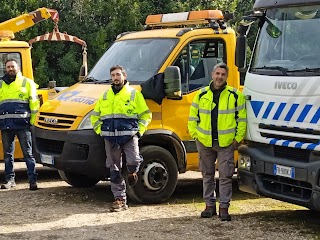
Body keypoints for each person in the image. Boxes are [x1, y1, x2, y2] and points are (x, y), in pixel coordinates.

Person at [188, 62, 246, 221]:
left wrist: (237, 139)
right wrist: (195, 135)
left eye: (223, 74)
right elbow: (193, 117)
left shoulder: (235, 95)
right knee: (207, 174)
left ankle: (224, 207)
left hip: (226, 143)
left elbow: (242, 119)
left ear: (226, 77)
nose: (219, 77)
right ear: (212, 75)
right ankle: (209, 206)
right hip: (205, 142)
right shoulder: (201, 95)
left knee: (226, 176)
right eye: (217, 74)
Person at [91, 65, 152, 212]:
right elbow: (95, 116)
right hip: (110, 139)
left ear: (124, 76)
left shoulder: (134, 94)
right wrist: (100, 131)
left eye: (118, 75)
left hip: (129, 136)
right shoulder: (105, 96)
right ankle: (120, 200)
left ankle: (132, 172)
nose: (115, 78)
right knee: (114, 169)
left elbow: (146, 115)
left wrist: (139, 132)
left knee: (133, 161)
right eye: (113, 75)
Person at [0, 59, 40, 190]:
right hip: (6, 126)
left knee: (28, 154)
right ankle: (10, 181)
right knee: (7, 155)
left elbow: (34, 104)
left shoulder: (27, 83)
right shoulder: (1, 84)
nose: (10, 69)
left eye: (12, 66)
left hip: (23, 125)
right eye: (8, 67)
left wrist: (32, 122)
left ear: (18, 67)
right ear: (5, 69)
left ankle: (32, 181)